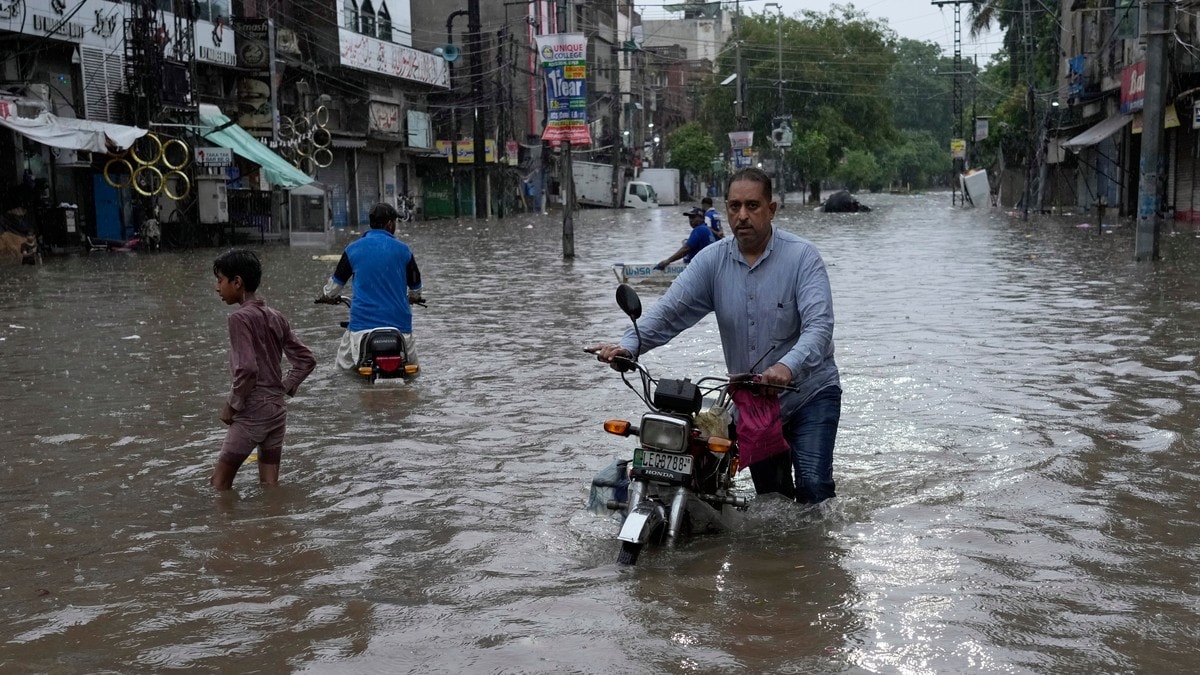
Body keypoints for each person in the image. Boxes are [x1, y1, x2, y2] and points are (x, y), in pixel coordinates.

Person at [592, 167, 841, 504]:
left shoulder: (802, 258)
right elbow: (670, 313)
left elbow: (819, 328)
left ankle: (818, 551)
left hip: (809, 391)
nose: (742, 216)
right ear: (726, 209)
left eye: (752, 206)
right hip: (755, 403)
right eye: (735, 206)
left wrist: (787, 367)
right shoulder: (711, 262)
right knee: (773, 501)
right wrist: (629, 345)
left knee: (812, 486)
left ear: (772, 209)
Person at [211, 249, 316, 490]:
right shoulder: (276, 316)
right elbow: (306, 359)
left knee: (219, 485)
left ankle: (227, 527)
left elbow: (247, 369)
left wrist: (231, 405)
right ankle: (273, 524)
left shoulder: (239, 319)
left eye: (220, 281)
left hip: (252, 412)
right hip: (277, 411)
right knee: (270, 485)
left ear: (237, 283)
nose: (217, 288)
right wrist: (284, 387)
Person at [317, 202, 423, 370]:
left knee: (341, 370)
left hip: (361, 328)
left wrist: (327, 296)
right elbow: (416, 286)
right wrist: (414, 297)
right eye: (395, 222)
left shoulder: (353, 249)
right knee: (413, 371)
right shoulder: (404, 250)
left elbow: (334, 285)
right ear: (389, 224)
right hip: (400, 326)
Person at [654, 206, 716, 271]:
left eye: (693, 217)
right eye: (689, 218)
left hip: (700, 270)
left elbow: (686, 248)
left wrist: (668, 261)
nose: (691, 220)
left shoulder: (699, 229)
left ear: (702, 218)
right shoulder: (708, 230)